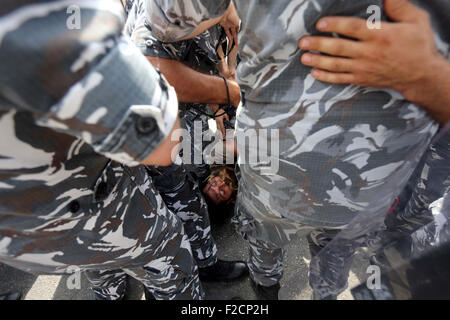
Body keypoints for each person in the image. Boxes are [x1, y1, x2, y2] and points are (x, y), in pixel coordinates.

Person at [145, 0, 449, 299]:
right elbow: (149, 47)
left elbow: (153, 38)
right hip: (344, 192)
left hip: (289, 189)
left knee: (283, 258)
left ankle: (273, 289)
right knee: (314, 263)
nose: (219, 187)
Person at [0, 0, 203, 300]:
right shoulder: (62, 17)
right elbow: (162, 145)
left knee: (99, 269)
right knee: (169, 265)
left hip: (21, 238)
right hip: (102, 215)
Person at [123, 0, 247, 285]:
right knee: (184, 199)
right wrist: (230, 93)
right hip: (149, 119)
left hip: (164, 116)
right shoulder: (163, 17)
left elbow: (209, 52)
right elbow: (151, 67)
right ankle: (200, 266)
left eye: (219, 192)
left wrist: (224, 70)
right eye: (226, 190)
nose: (220, 188)